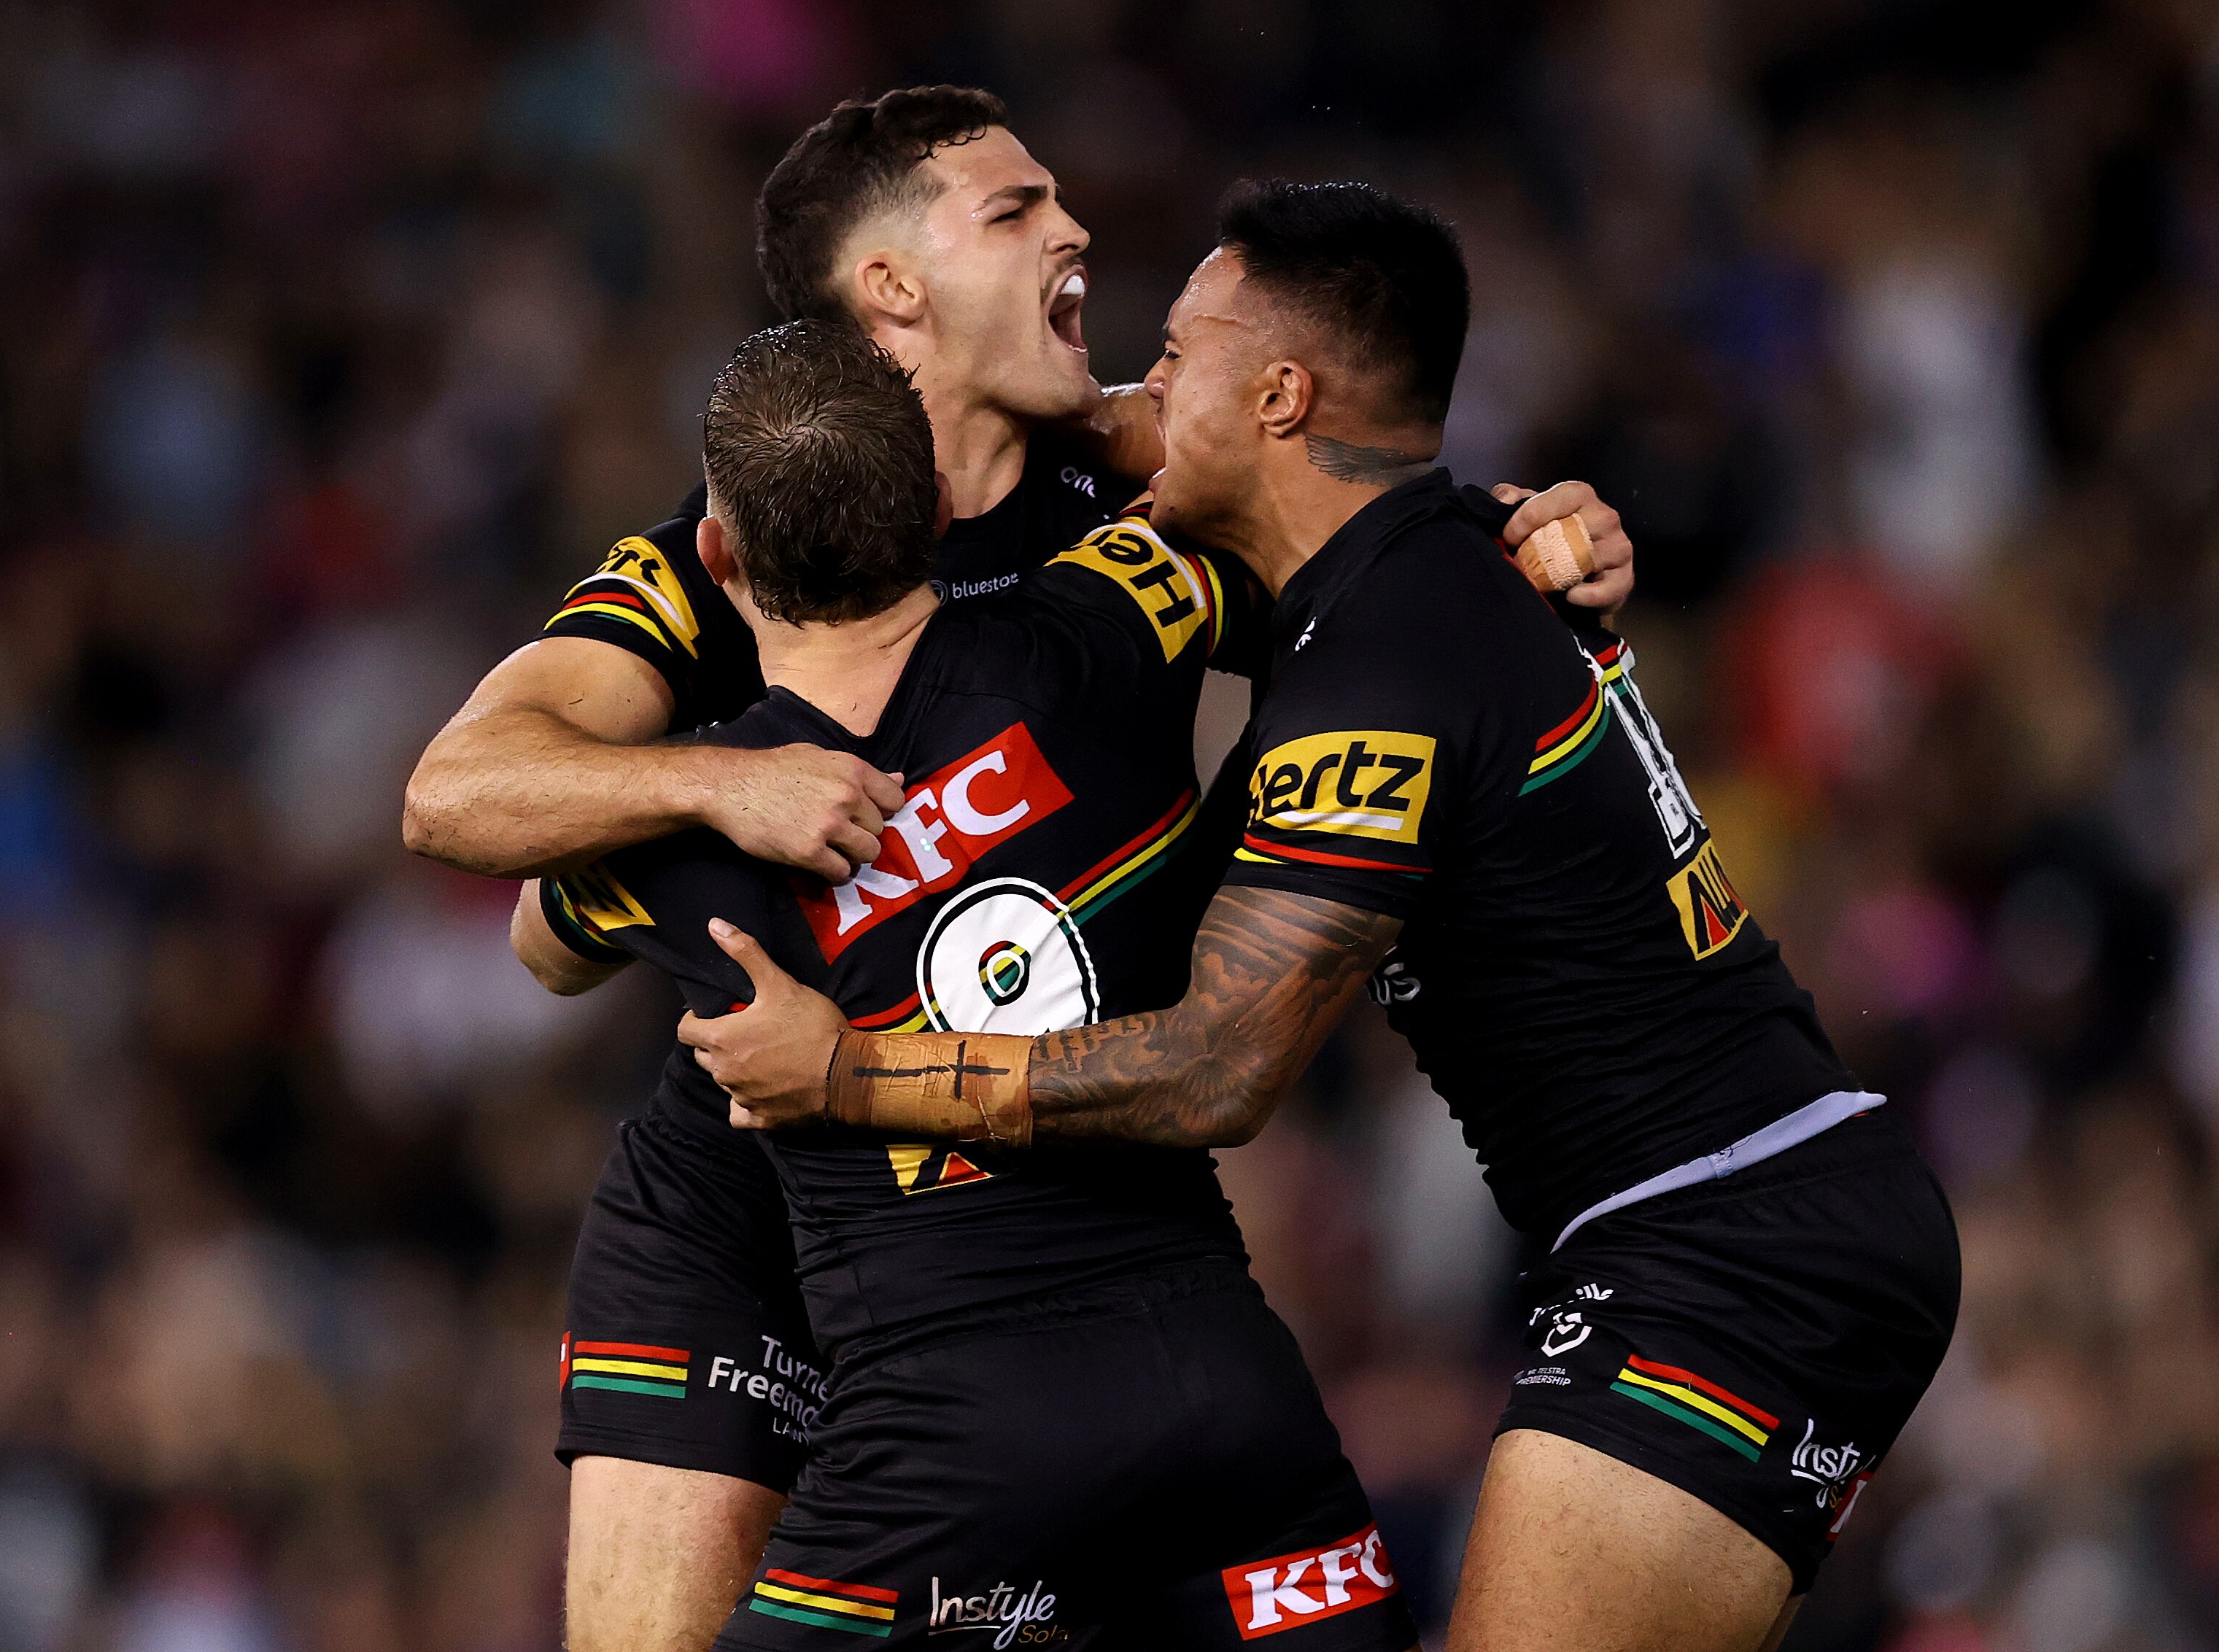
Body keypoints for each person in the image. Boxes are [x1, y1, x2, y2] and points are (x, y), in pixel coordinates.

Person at [399, 88, 1638, 1652]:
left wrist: (1527, 531)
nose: (1075, 229)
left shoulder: (1136, 480)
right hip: (750, 1192)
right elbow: (456, 796)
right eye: (1014, 208)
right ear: (892, 290)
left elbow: (1362, 519)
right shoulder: (734, 537)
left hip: (1048, 1210)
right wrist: (725, 781)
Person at [681, 182, 1962, 1652]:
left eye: (1177, 355)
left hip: (1727, 1236)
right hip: (1734, 1210)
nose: (1142, 389)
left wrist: (848, 1073)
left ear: (1279, 396)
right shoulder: (1427, 566)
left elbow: (1216, 1071)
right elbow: (1119, 434)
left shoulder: (1383, 672)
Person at [515, 318, 1418, 1652]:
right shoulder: (1118, 613)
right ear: (939, 512)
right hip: (1222, 1386)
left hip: (947, 1447)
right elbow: (1332, 536)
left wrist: (696, 782)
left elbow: (539, 938)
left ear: (717, 559)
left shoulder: (673, 849)